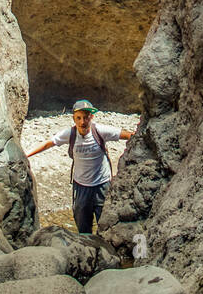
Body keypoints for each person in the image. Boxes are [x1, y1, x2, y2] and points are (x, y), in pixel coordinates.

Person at [26, 100, 134, 235]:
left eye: (86, 117)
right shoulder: (70, 134)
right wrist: (26, 155)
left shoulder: (100, 131)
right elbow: (49, 143)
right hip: (81, 187)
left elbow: (127, 135)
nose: (82, 122)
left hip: (102, 185)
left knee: (106, 227)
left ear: (92, 117)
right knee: (83, 229)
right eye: (79, 118)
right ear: (74, 119)